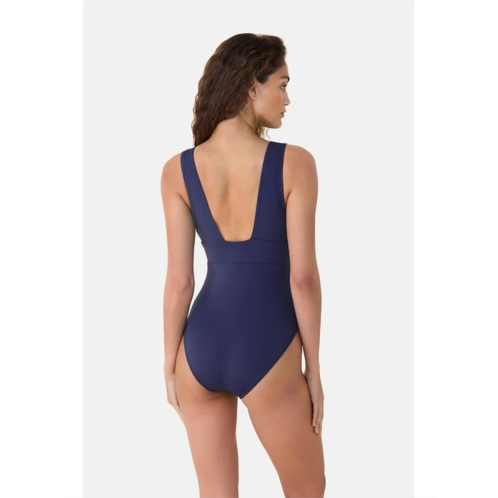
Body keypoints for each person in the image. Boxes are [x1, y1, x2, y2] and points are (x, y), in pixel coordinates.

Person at [160, 33, 326, 497]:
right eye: (282, 85)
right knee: (308, 490)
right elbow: (303, 279)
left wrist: (170, 364)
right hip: (266, 343)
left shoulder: (178, 170)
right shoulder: (295, 163)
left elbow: (179, 281)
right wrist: (313, 368)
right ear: (252, 86)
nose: (287, 99)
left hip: (199, 348)